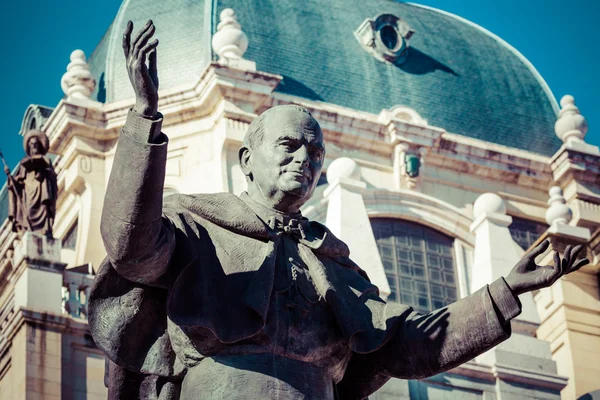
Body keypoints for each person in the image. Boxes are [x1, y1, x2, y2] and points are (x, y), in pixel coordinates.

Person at [88, 20, 589, 400]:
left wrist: (505, 293)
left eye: (315, 153)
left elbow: (412, 342)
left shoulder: (334, 264)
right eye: (287, 146)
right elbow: (131, 247)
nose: (304, 160)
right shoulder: (198, 227)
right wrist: (144, 115)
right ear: (246, 159)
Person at [4, 129, 57, 238]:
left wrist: (44, 171)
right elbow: (18, 181)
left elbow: (52, 176)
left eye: (36, 144)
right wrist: (11, 178)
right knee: (29, 210)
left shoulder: (46, 161)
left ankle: (44, 229)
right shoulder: (24, 163)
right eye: (31, 144)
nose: (34, 146)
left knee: (43, 208)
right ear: (29, 147)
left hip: (42, 189)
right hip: (29, 191)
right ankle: (28, 228)